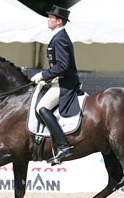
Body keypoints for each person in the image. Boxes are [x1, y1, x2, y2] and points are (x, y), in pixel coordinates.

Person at [31, 5, 81, 163]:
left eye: (52, 18)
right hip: (59, 80)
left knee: (41, 107)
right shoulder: (58, 36)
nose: (49, 19)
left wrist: (43, 75)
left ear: (59, 21)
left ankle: (63, 145)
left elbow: (63, 66)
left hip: (65, 83)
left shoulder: (60, 39)